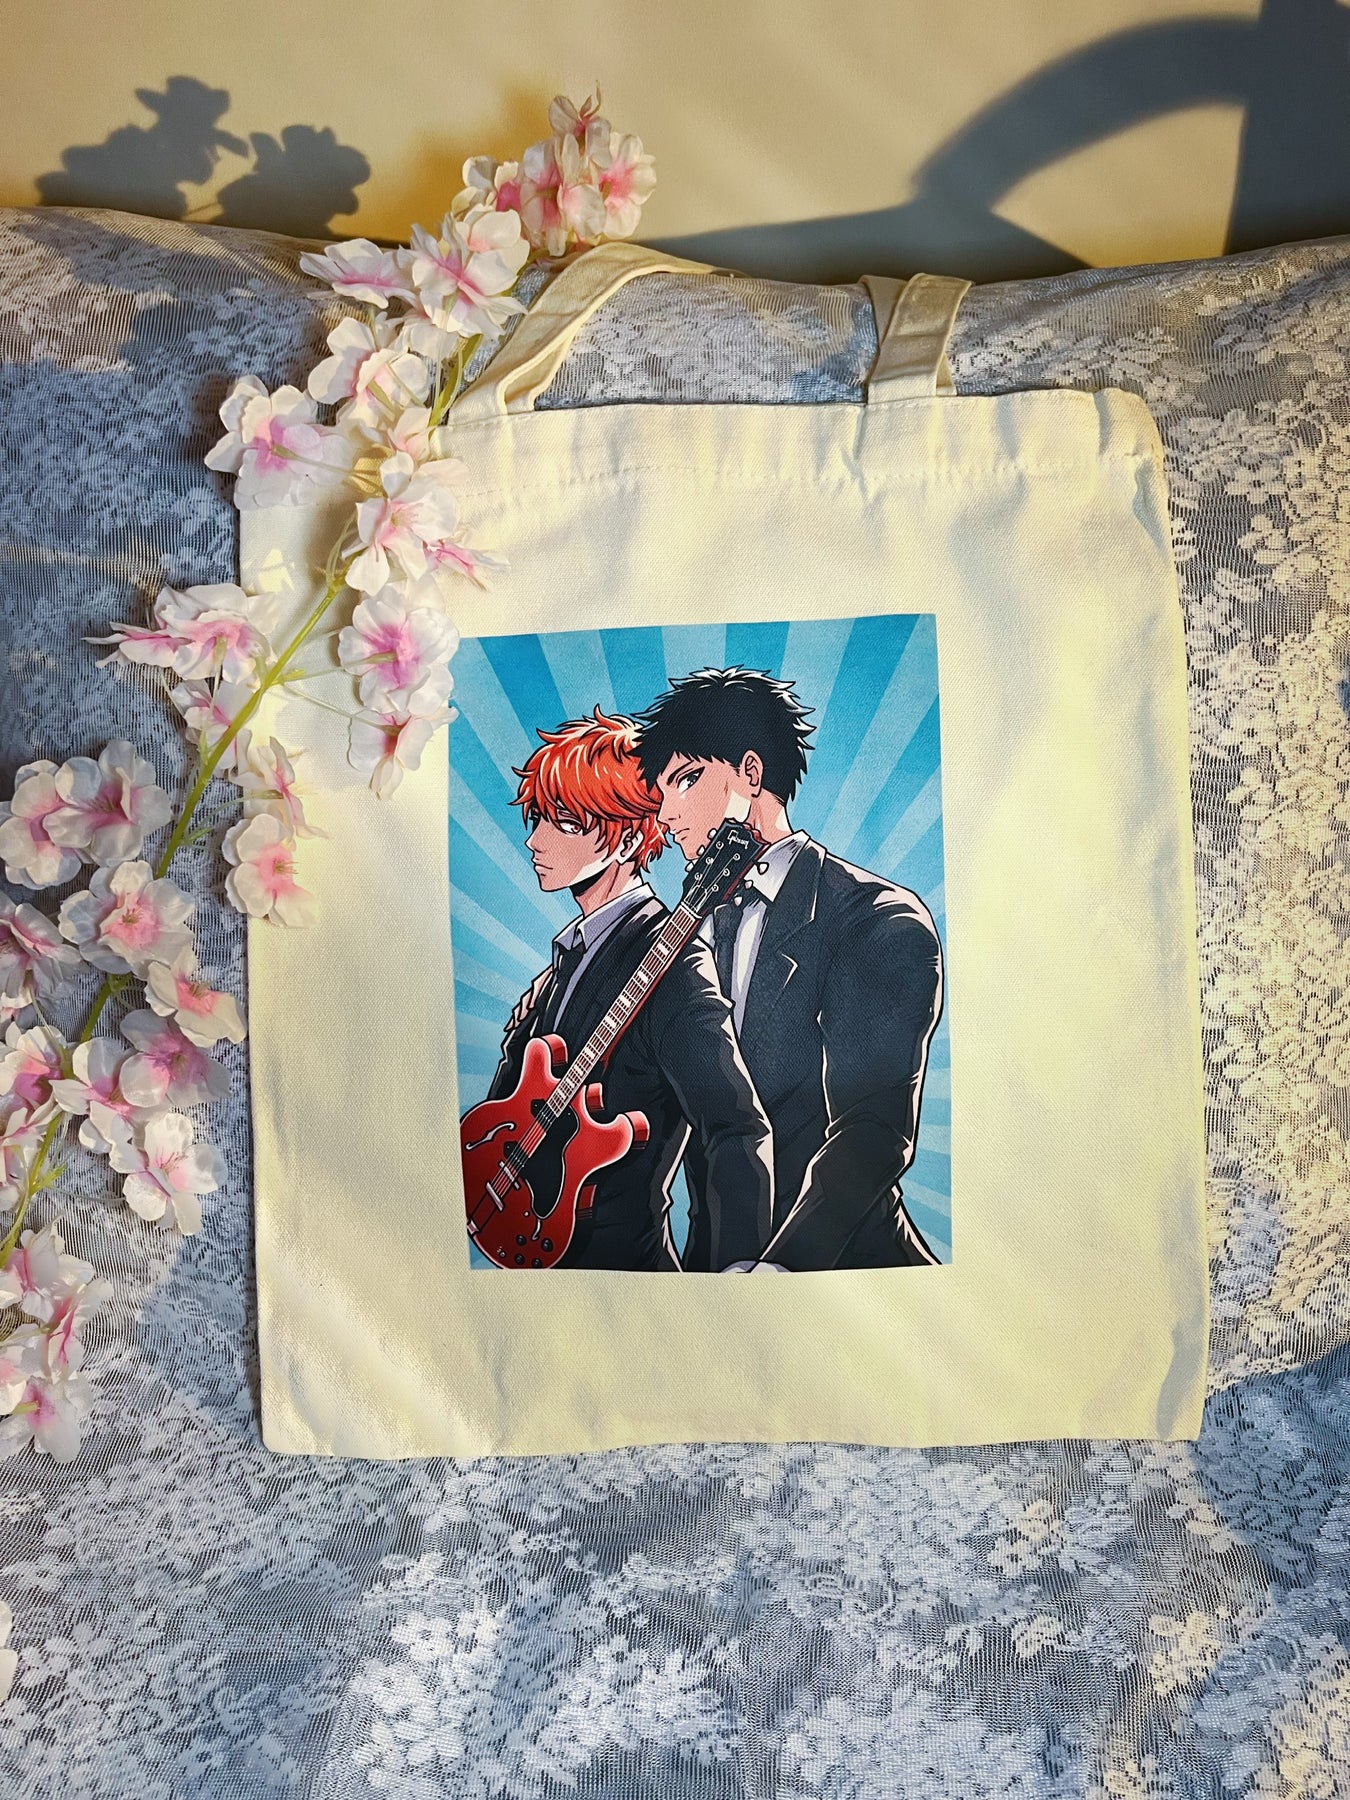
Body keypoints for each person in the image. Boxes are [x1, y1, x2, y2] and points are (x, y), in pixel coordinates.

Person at [635, 668, 944, 1271]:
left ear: (751, 773)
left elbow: (871, 1132)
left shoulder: (875, 918)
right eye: (662, 793)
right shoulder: (690, 929)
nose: (668, 815)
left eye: (687, 780)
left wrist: (781, 1269)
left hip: (851, 1276)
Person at [478, 707, 773, 1272]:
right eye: (538, 818)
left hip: (626, 1273)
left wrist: (735, 1277)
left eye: (565, 823)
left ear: (629, 837)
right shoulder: (568, 958)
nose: (536, 841)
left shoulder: (674, 963)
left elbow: (735, 1128)